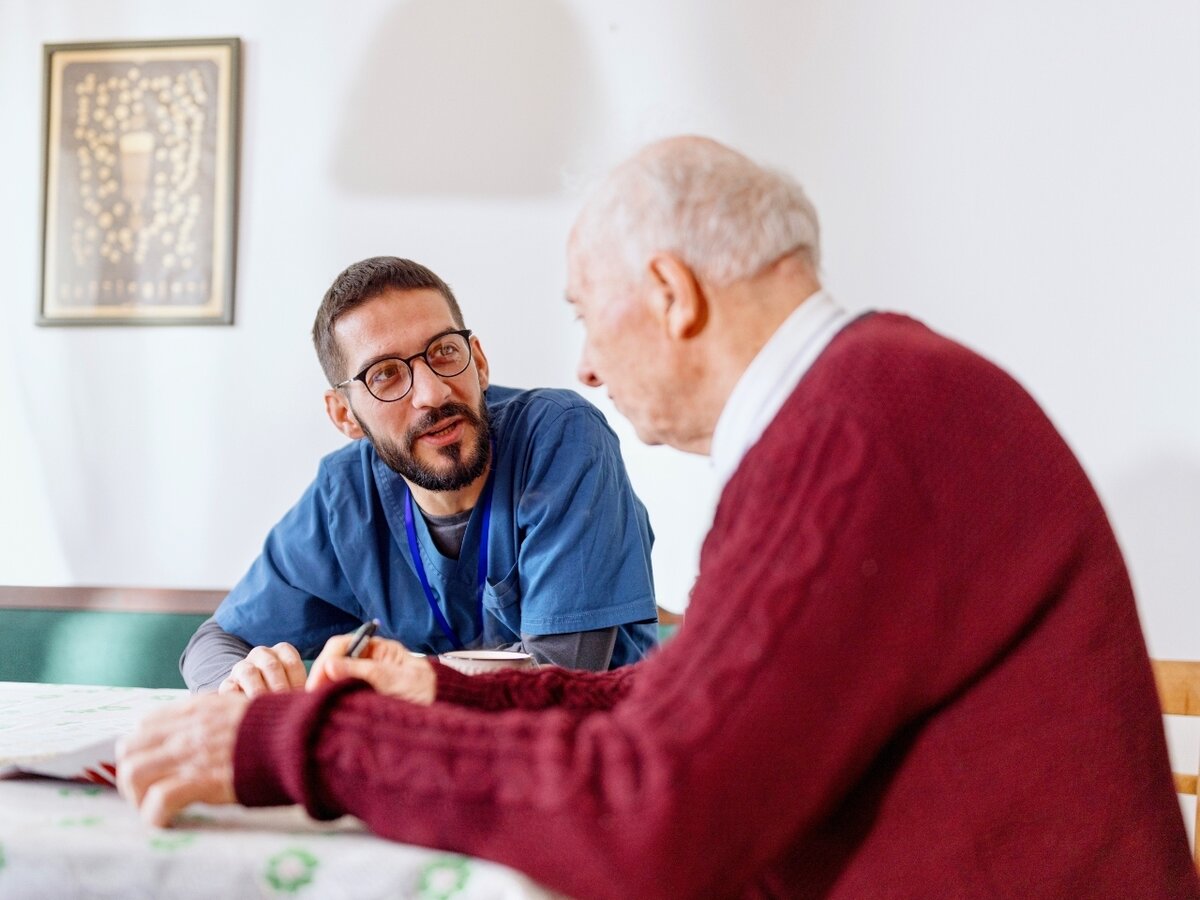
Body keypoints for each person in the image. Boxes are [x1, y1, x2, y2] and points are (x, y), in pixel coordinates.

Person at [122, 138, 1199, 898]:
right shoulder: (873, 399)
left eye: (589, 314)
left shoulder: (854, 437)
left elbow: (659, 817)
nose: (585, 363)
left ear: (672, 292)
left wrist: (310, 741)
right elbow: (682, 703)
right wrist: (439, 689)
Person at [180, 256, 658, 695]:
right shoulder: (346, 495)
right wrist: (240, 684)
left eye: (445, 352)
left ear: (480, 361)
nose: (432, 392)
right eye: (385, 374)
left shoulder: (560, 436)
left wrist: (385, 690)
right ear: (344, 415)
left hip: (588, 759)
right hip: (431, 757)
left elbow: (559, 678)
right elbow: (216, 642)